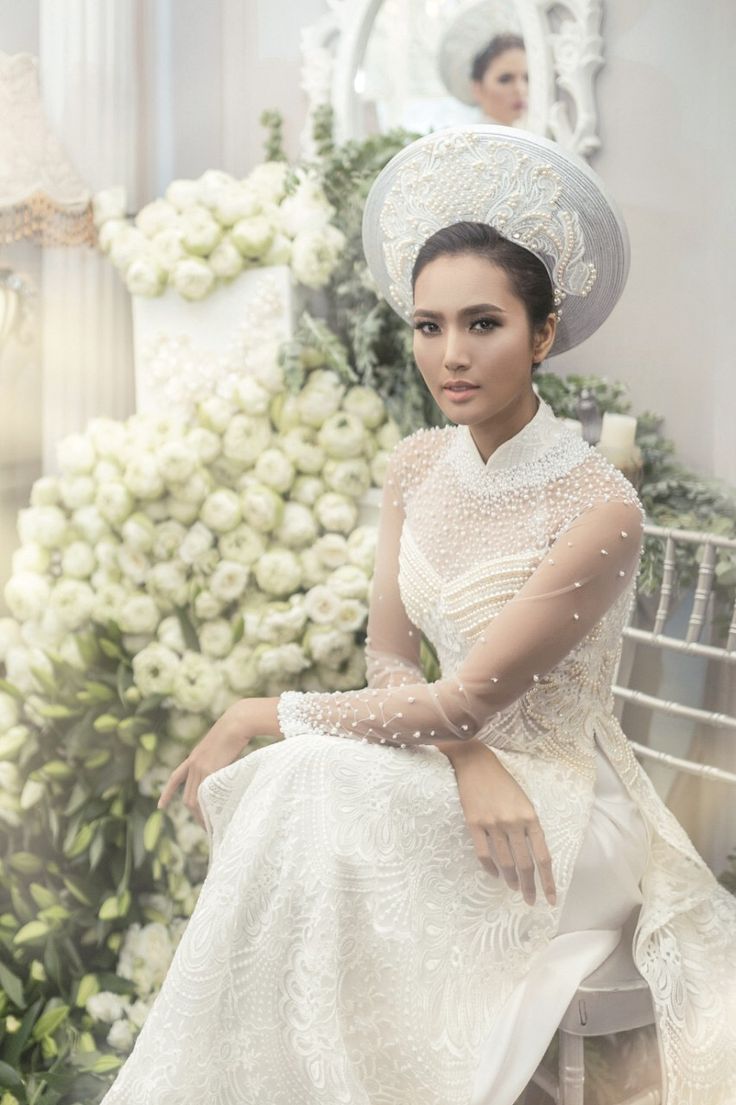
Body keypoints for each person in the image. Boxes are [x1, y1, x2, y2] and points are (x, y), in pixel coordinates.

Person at [99, 126, 736, 1105]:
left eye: (482, 323)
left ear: (544, 332)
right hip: (462, 773)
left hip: (565, 809)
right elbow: (392, 662)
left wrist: (255, 709)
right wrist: (466, 755)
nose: (451, 353)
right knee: (304, 791)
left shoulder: (599, 504)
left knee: (298, 771)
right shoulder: (414, 466)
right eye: (428, 325)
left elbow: (463, 697)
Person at [469, 32, 528, 125]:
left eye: (526, 79)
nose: (520, 89)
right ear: (478, 89)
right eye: (505, 79)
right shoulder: (471, 137)